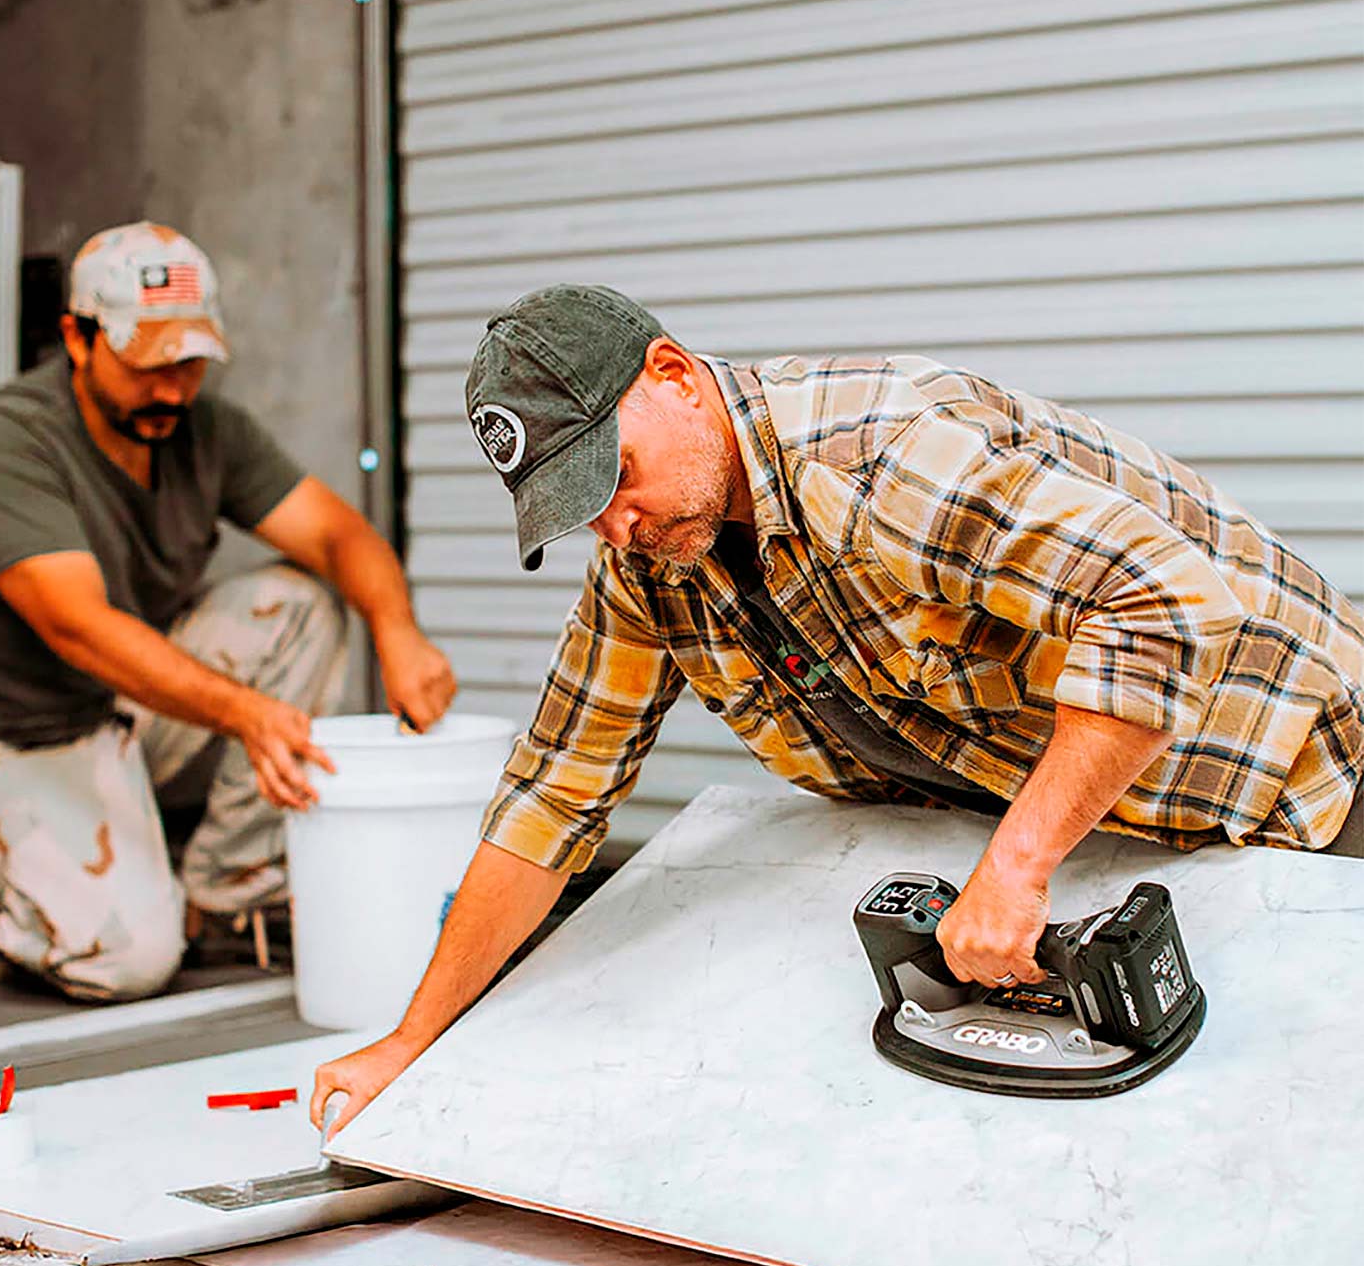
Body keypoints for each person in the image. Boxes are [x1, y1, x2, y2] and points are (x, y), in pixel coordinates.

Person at [310, 283, 1363, 1135]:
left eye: (614, 477)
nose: (616, 527)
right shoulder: (651, 569)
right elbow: (552, 797)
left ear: (674, 375)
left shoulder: (878, 454)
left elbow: (1163, 601)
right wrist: (411, 1042)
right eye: (579, 510)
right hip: (1134, 832)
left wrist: (1018, 865)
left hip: (1301, 774)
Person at [0, 221, 455, 998]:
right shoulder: (7, 442)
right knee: (129, 959)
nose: (171, 389)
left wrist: (399, 632)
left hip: (109, 708)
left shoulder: (205, 429)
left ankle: (222, 897)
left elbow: (336, 534)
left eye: (190, 363)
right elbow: (75, 626)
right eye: (147, 363)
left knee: (302, 605)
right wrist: (247, 713)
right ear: (77, 340)